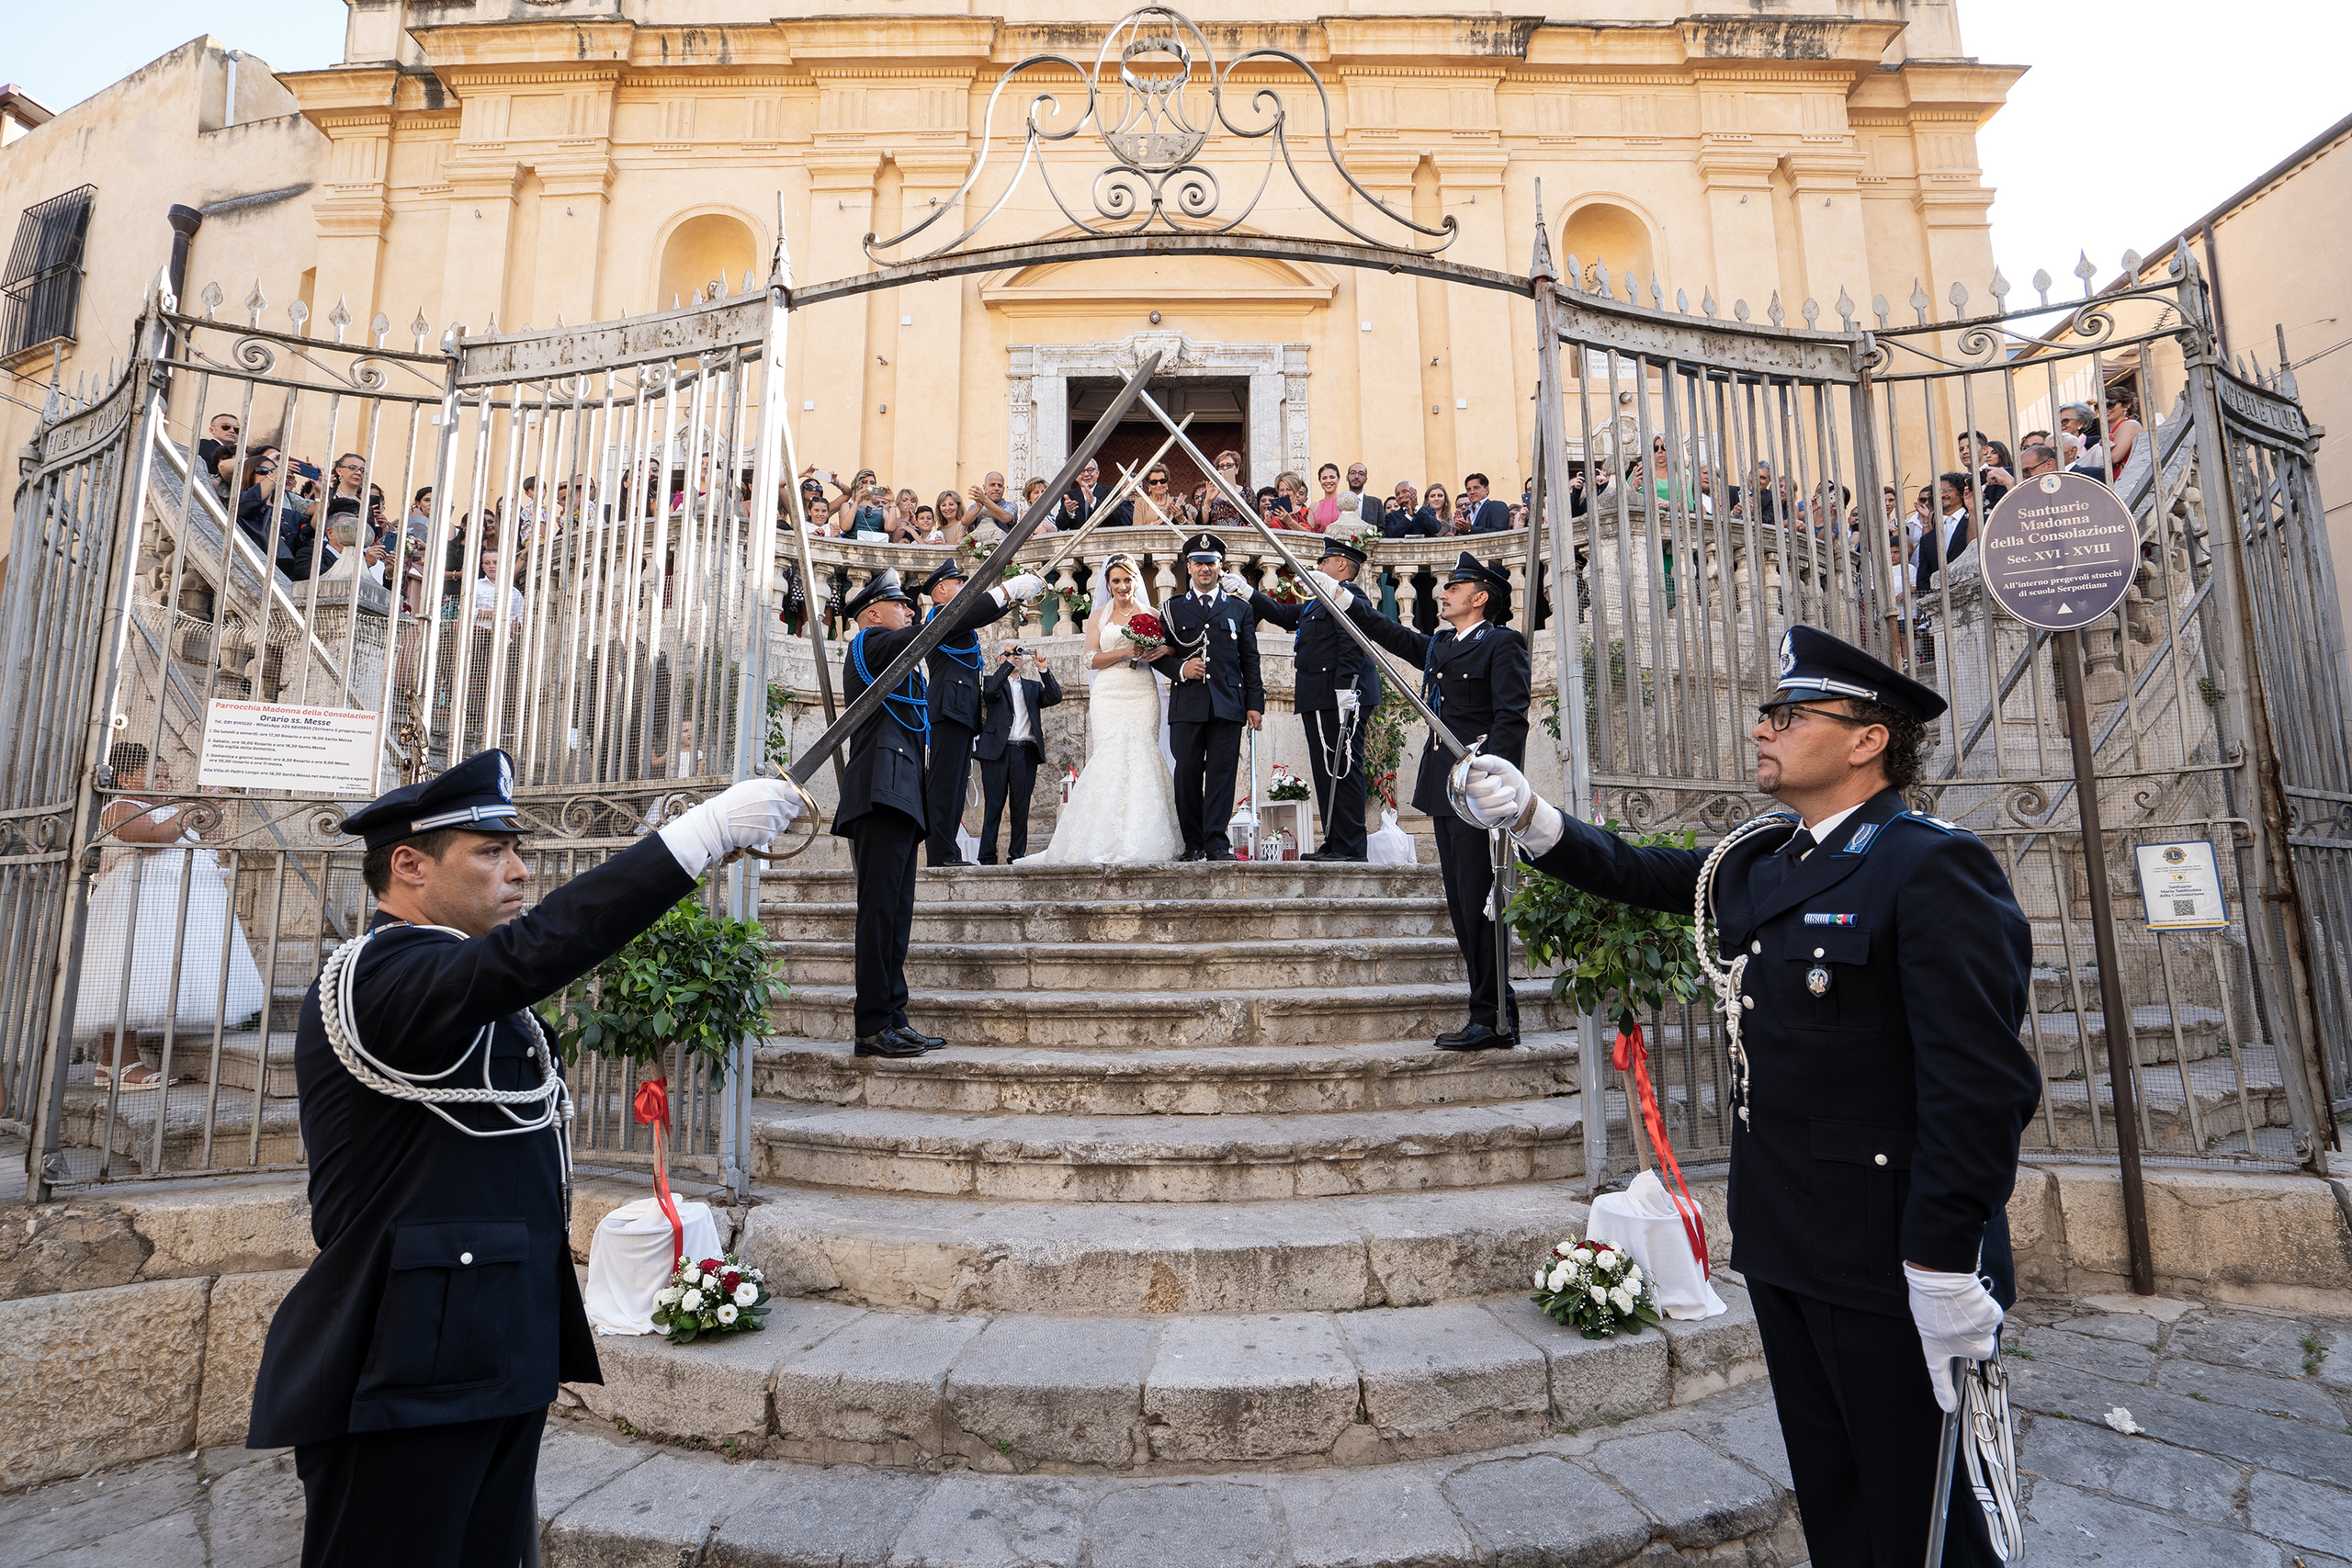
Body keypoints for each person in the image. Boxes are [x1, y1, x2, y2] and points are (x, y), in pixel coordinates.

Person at [1451, 624, 2039, 1568]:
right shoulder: (1771, 857)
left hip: (1890, 1254)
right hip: (1787, 1236)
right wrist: (1531, 817)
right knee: (1835, 1494)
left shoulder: (1929, 864)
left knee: (1924, 1512)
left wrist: (1941, 1264)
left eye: (1789, 714)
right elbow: (1643, 872)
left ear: (1867, 740)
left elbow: (1979, 1085)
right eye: (1768, 711)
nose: (1763, 728)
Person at [245, 747, 805, 1567]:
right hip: (404, 1367)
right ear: (408, 866)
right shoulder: (378, 973)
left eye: (516, 849)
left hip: (489, 1344)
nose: (519, 869)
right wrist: (699, 835)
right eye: (490, 850)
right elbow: (528, 956)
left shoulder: (458, 979)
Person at [839, 567, 1042, 1049]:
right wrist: (1006, 593)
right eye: (899, 605)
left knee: (898, 916)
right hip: (879, 792)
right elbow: (945, 623)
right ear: (873, 614)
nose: (910, 610)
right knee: (880, 914)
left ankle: (894, 1015)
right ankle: (872, 1025)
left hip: (899, 793)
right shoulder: (871, 643)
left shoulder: (895, 654)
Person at [1340, 552, 1529, 1049]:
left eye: (1454, 588)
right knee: (1463, 908)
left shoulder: (1502, 644)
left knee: (1480, 905)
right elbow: (1397, 637)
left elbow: (1512, 720)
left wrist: (1492, 780)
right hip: (1444, 792)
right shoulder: (1443, 643)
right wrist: (1347, 600)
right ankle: (1492, 1009)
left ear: (1479, 597)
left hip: (1477, 792)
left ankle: (1493, 1017)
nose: (1443, 594)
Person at [70, 742, 266, 1090]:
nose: (162, 782)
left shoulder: (168, 808)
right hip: (142, 902)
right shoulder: (120, 807)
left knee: (150, 976)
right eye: (154, 775)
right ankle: (122, 1063)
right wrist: (191, 810)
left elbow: (208, 836)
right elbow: (153, 839)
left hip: (175, 903)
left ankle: (111, 1064)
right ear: (126, 778)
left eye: (164, 776)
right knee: (130, 976)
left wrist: (212, 807)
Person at [1224, 536, 1383, 862]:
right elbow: (1285, 614)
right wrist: (1247, 592)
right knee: (1326, 771)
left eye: (1324, 561)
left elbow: (1352, 641)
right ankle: (1335, 842)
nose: (1319, 565)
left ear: (1341, 564)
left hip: (1336, 695)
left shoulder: (1349, 595)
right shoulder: (1318, 601)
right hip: (1317, 696)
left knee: (1343, 768)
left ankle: (1351, 847)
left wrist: (1345, 689)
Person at [1026, 552, 1183, 863]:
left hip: (1142, 691)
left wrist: (1159, 649)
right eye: (1116, 581)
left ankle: (1144, 836)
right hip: (1110, 693)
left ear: (1136, 581)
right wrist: (1126, 651)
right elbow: (1090, 659)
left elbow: (1171, 647)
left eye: (1128, 580)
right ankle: (1102, 836)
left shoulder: (1152, 613)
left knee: (1143, 754)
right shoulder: (1098, 615)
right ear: (1108, 584)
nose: (1122, 586)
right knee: (1111, 756)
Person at [1156, 534, 1262, 862]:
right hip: (1188, 703)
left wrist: (1255, 705)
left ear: (1220, 566)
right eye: (1199, 563)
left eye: (1211, 563)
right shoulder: (1172, 609)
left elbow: (1250, 660)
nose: (1205, 569)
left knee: (1221, 774)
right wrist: (1181, 668)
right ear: (1188, 566)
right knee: (1187, 772)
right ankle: (1193, 842)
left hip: (1228, 703)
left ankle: (1216, 842)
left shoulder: (1240, 609)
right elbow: (1156, 654)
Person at [916, 558, 1019, 866]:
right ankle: (941, 854)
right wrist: (1007, 590)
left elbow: (981, 613)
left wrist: (1013, 599)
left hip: (961, 711)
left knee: (955, 786)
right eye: (958, 583)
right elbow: (976, 611)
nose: (964, 587)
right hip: (948, 710)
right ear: (941, 589)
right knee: (944, 786)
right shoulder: (940, 615)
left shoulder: (959, 618)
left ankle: (948, 852)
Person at [976, 640, 1065, 863]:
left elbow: (1055, 697)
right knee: (993, 805)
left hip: (1024, 752)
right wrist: (1007, 663)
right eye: (1010, 654)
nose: (1016, 657)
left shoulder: (1032, 687)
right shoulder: (991, 682)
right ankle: (987, 856)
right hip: (997, 752)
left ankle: (1017, 856)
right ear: (999, 659)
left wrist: (1043, 669)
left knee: (1021, 806)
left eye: (1019, 653)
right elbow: (990, 692)